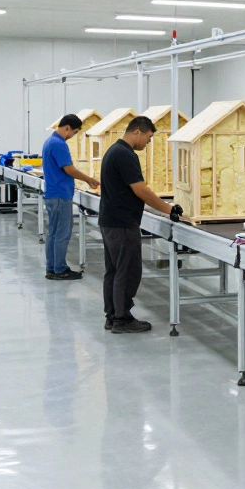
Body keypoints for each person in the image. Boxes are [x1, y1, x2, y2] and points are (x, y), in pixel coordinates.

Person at [98, 116, 182, 334]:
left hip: (110, 221)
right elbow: (140, 190)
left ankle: (112, 315)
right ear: (137, 131)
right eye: (149, 137)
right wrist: (168, 209)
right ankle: (122, 319)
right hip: (123, 224)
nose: (148, 142)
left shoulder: (114, 151)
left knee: (114, 271)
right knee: (128, 272)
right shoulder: (125, 155)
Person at [42, 114, 100, 280]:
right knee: (62, 233)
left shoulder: (49, 142)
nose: (73, 136)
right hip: (60, 195)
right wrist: (89, 179)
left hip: (53, 193)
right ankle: (59, 269)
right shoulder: (59, 144)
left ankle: (52, 267)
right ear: (67, 127)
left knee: (53, 233)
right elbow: (69, 169)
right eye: (74, 132)